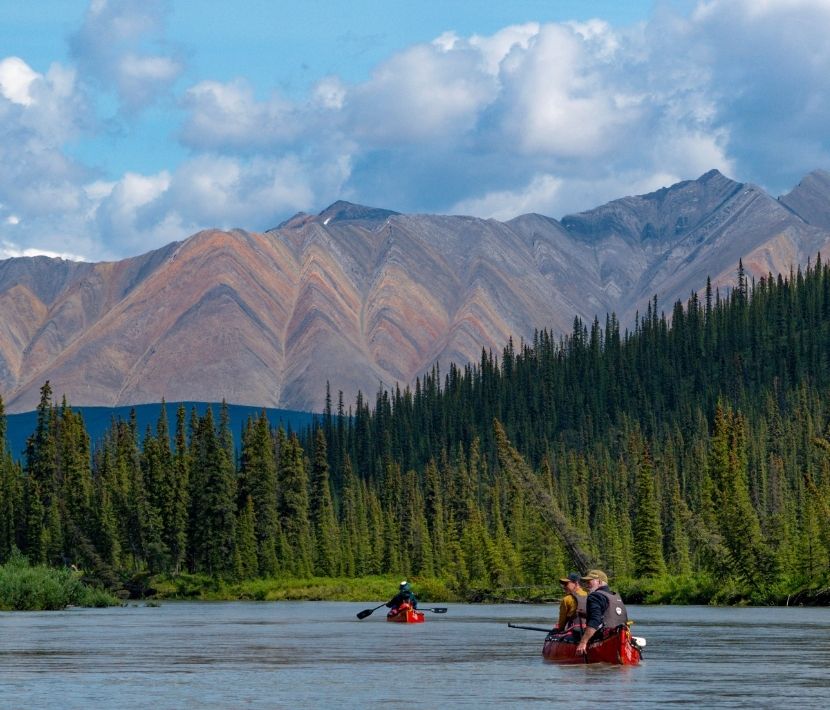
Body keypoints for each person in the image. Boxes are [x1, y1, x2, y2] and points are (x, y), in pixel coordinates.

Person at [575, 569, 628, 655]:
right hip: (621, 636)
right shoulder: (615, 595)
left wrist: (583, 643)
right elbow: (608, 615)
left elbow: (595, 621)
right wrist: (586, 615)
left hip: (604, 637)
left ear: (599, 582)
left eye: (589, 582)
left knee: (575, 632)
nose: (587, 585)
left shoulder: (594, 596)